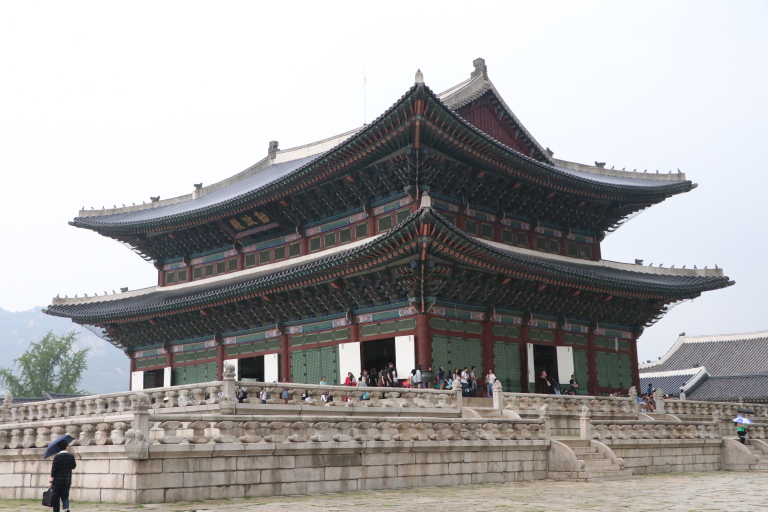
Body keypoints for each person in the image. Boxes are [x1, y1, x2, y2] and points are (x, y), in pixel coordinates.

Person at [49, 441, 76, 512]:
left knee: (56, 498)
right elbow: (73, 466)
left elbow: (53, 471)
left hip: (57, 481)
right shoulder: (71, 456)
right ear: (66, 447)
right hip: (67, 480)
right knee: (65, 496)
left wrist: (51, 482)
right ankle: (66, 508)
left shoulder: (57, 457)